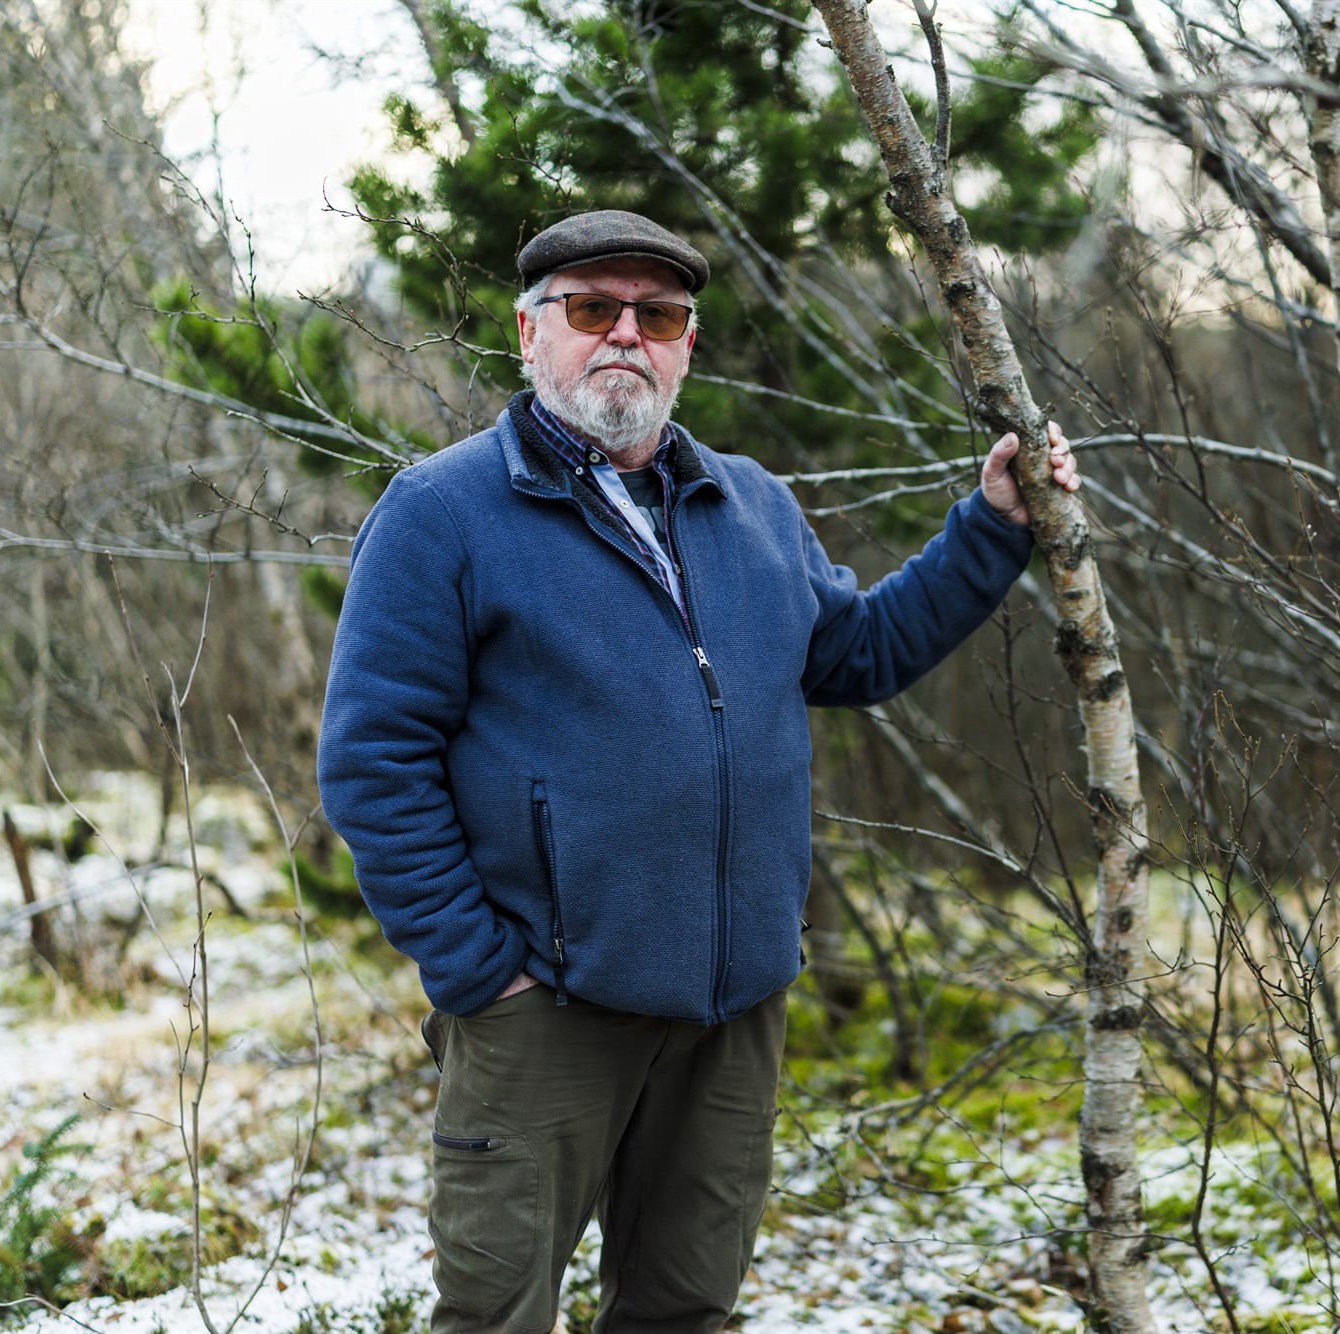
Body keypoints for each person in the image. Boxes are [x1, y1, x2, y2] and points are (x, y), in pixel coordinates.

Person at [317, 209, 1078, 1334]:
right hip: (545, 1009)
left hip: (732, 1007)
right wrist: (480, 967)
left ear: (685, 345)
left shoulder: (749, 505)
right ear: (531, 336)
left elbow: (855, 651)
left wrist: (992, 524)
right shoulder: (443, 514)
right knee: (496, 1318)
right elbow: (371, 759)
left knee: (683, 1312)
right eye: (591, 308)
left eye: (657, 314)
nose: (625, 333)